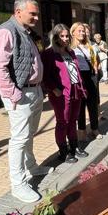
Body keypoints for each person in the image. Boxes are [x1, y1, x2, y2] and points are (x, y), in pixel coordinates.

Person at [0, 0, 50, 203]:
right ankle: (18, 184)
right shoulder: (7, 31)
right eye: (33, 13)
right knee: (19, 139)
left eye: (37, 13)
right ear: (18, 11)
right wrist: (14, 94)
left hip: (34, 91)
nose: (36, 17)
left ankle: (31, 167)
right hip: (21, 93)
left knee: (29, 134)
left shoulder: (25, 32)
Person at [41, 24, 89, 164]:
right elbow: (45, 75)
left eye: (67, 35)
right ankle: (64, 152)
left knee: (73, 120)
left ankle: (73, 148)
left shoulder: (70, 52)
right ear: (55, 37)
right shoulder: (48, 53)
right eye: (62, 36)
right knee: (63, 122)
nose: (65, 38)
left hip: (75, 91)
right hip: (60, 94)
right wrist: (54, 89)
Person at [70, 22, 102, 142]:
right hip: (77, 79)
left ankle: (94, 129)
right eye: (79, 31)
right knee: (80, 107)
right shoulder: (69, 47)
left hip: (89, 77)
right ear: (73, 32)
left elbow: (94, 60)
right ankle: (82, 132)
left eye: (83, 31)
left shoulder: (89, 46)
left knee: (92, 105)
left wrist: (95, 69)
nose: (82, 33)